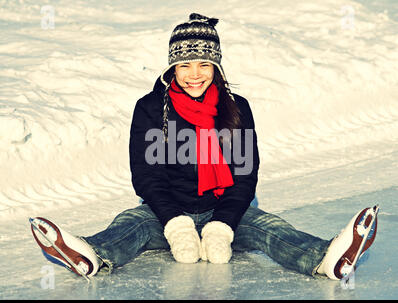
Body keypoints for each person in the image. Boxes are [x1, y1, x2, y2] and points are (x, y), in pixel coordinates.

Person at [30, 13, 378, 281]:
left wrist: (222, 225)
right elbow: (147, 178)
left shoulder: (236, 106)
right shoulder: (151, 108)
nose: (194, 74)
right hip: (163, 213)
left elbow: (244, 176)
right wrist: (175, 223)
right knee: (128, 225)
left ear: (216, 66)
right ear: (172, 67)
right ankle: (91, 255)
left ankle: (327, 259)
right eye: (184, 65)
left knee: (271, 228)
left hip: (222, 210)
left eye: (203, 65)